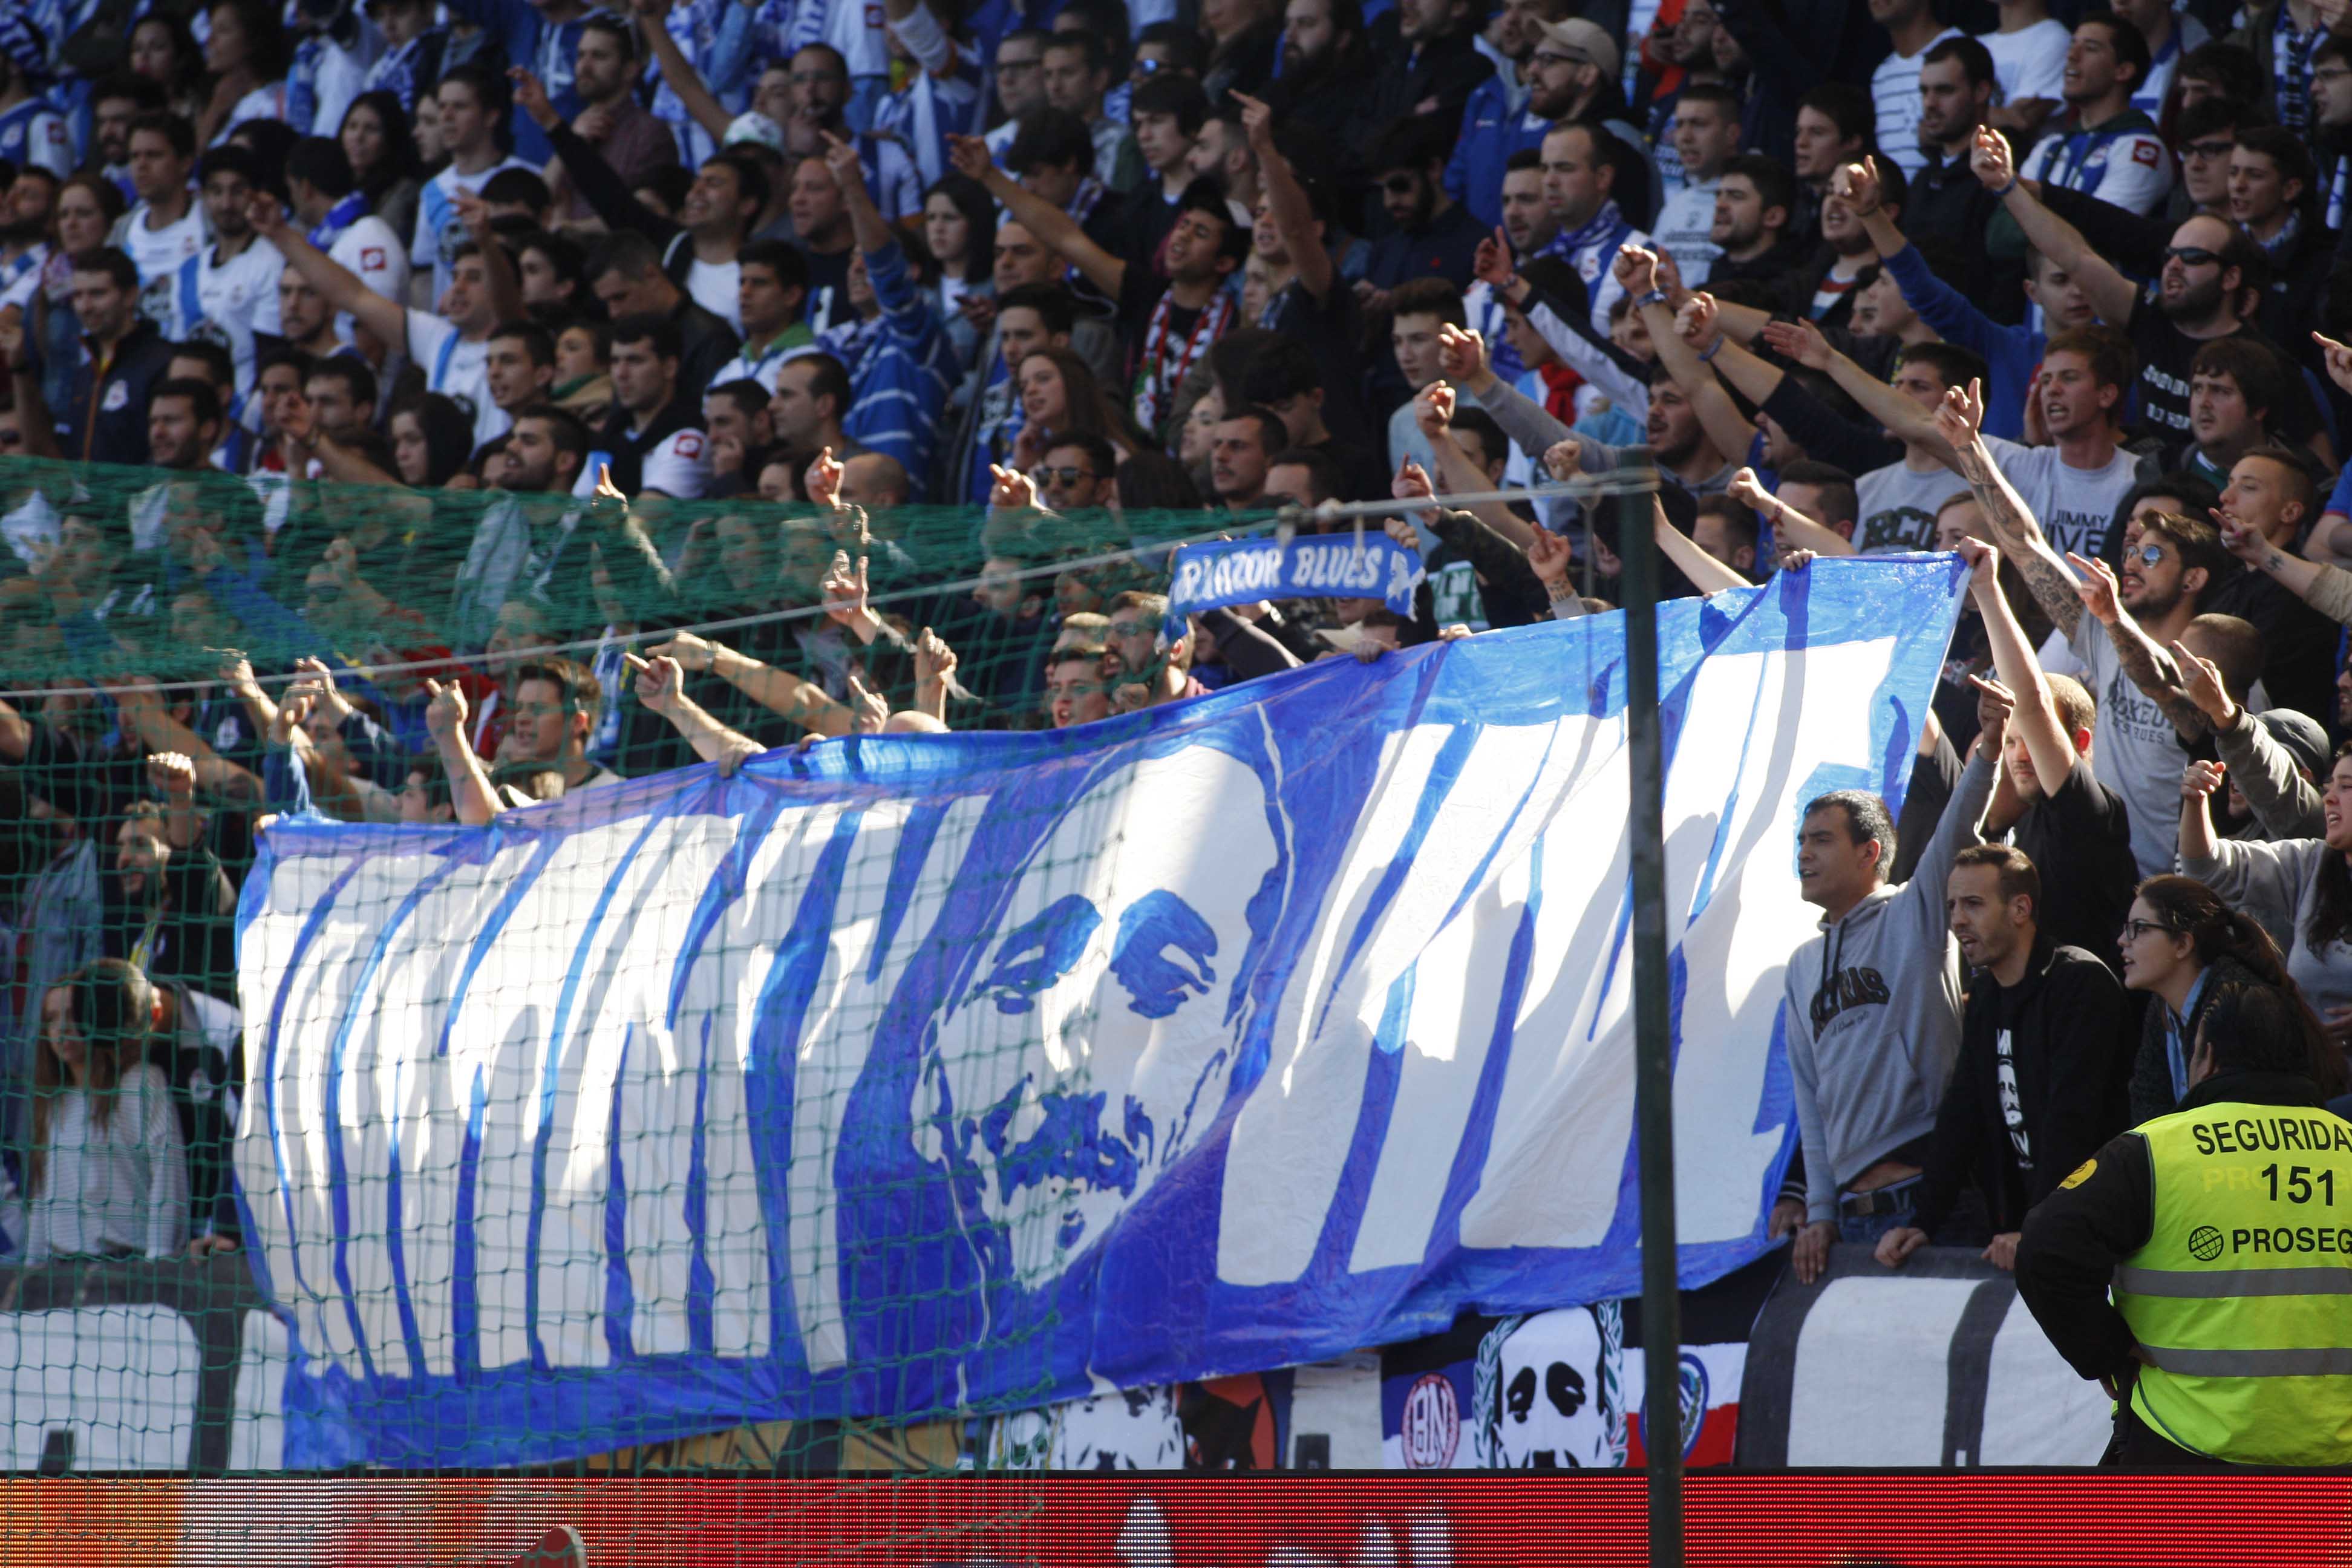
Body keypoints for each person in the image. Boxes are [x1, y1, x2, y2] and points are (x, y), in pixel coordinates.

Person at [2015, 972, 2352, 1466]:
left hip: (2185, 1457)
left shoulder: (2151, 1152)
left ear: (2207, 1057)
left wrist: (2104, 1350)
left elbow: (2044, 1250)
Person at [1777, 737, 1996, 1284]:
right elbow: (1810, 1098)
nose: (1804, 853)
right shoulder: (1802, 966)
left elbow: (1958, 828)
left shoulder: (1915, 911)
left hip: (1933, 1201)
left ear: (1869, 852)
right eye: (1802, 841)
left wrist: (1988, 754)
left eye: (1821, 840)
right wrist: (1822, 1212)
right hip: (1850, 1223)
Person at [1874, 843, 2132, 1273]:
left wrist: (2040, 1225)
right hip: (2028, 1232)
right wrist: (1924, 1222)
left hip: (2098, 1232)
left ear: (2020, 908)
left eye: (1973, 904)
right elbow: (1962, 1112)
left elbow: (2075, 1119)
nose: (1957, 920)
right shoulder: (1986, 997)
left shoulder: (2079, 982)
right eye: (1952, 905)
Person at [22, 961, 190, 1264]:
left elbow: (168, 1178)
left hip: (125, 1268)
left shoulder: (139, 1083)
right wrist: (31, 1267)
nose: (63, 1029)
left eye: (73, 1016)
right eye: (52, 1018)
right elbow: (42, 1197)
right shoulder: (53, 1101)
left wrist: (159, 1263)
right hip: (59, 1270)